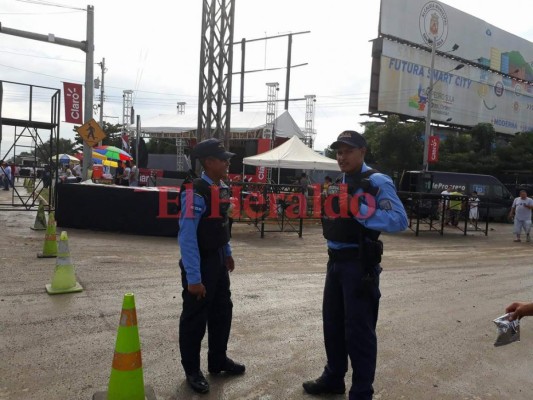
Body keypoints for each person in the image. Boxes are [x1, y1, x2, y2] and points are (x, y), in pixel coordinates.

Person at [303, 130, 408, 400]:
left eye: (348, 151)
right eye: (339, 152)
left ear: (363, 152)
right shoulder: (339, 181)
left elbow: (399, 220)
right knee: (333, 324)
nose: (342, 156)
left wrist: (359, 210)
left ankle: (362, 392)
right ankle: (333, 377)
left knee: (359, 332)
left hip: (359, 266)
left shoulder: (376, 181)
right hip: (335, 263)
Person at [177, 138, 244, 394]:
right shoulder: (195, 191)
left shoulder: (222, 187)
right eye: (223, 159)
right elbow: (188, 236)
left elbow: (222, 224)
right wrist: (194, 278)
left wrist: (227, 252)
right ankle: (192, 370)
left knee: (222, 311)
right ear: (208, 162)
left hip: (217, 259)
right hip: (200, 262)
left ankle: (218, 360)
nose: (228, 162)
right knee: (195, 319)